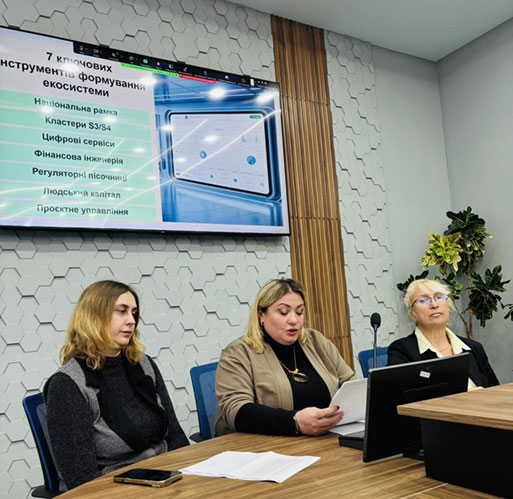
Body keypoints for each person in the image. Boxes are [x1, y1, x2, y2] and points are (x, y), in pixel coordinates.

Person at [44, 280, 188, 492]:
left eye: (134, 313)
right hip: (115, 489)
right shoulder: (67, 385)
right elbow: (81, 480)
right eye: (122, 311)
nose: (131, 320)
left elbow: (175, 436)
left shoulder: (144, 364)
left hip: (166, 477)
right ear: (94, 316)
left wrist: (194, 476)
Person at [215, 278, 355, 437]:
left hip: (326, 439)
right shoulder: (238, 353)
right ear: (261, 315)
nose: (294, 320)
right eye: (283, 312)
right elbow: (235, 410)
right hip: (266, 445)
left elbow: (351, 383)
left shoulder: (316, 341)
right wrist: (294, 422)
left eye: (300, 312)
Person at [388, 278, 499, 388]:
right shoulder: (402, 351)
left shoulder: (473, 348)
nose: (434, 304)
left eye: (439, 297)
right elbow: (400, 395)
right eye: (423, 300)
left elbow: (495, 391)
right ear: (412, 313)